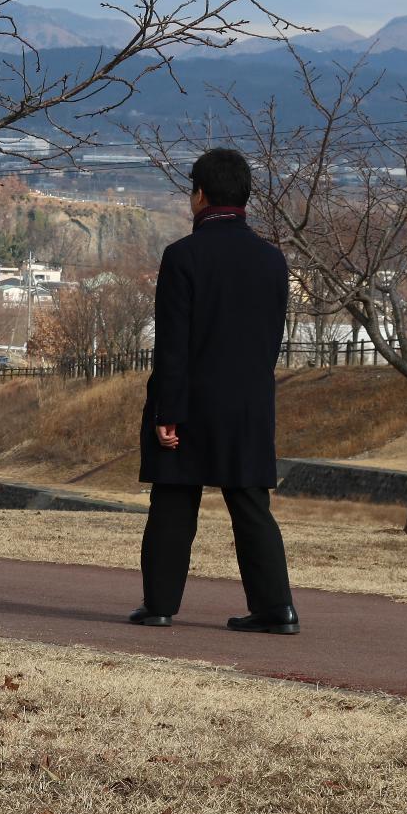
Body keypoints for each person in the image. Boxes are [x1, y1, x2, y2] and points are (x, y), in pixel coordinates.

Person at [129, 148, 298, 635]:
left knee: (174, 500)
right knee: (250, 504)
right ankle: (276, 608)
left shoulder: (183, 257)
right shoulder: (273, 260)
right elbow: (270, 339)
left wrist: (168, 410)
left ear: (199, 195)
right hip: (249, 403)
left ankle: (160, 604)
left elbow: (174, 345)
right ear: (245, 195)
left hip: (191, 402)